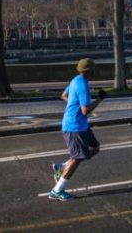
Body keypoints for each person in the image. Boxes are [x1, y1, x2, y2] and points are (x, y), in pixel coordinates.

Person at [49, 58, 106, 201]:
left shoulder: (75, 79)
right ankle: (57, 190)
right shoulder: (83, 85)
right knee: (77, 158)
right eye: (94, 69)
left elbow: (63, 95)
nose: (95, 71)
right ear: (89, 71)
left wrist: (73, 104)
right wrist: (99, 99)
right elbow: (85, 110)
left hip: (82, 126)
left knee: (95, 148)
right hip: (74, 127)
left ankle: (62, 167)